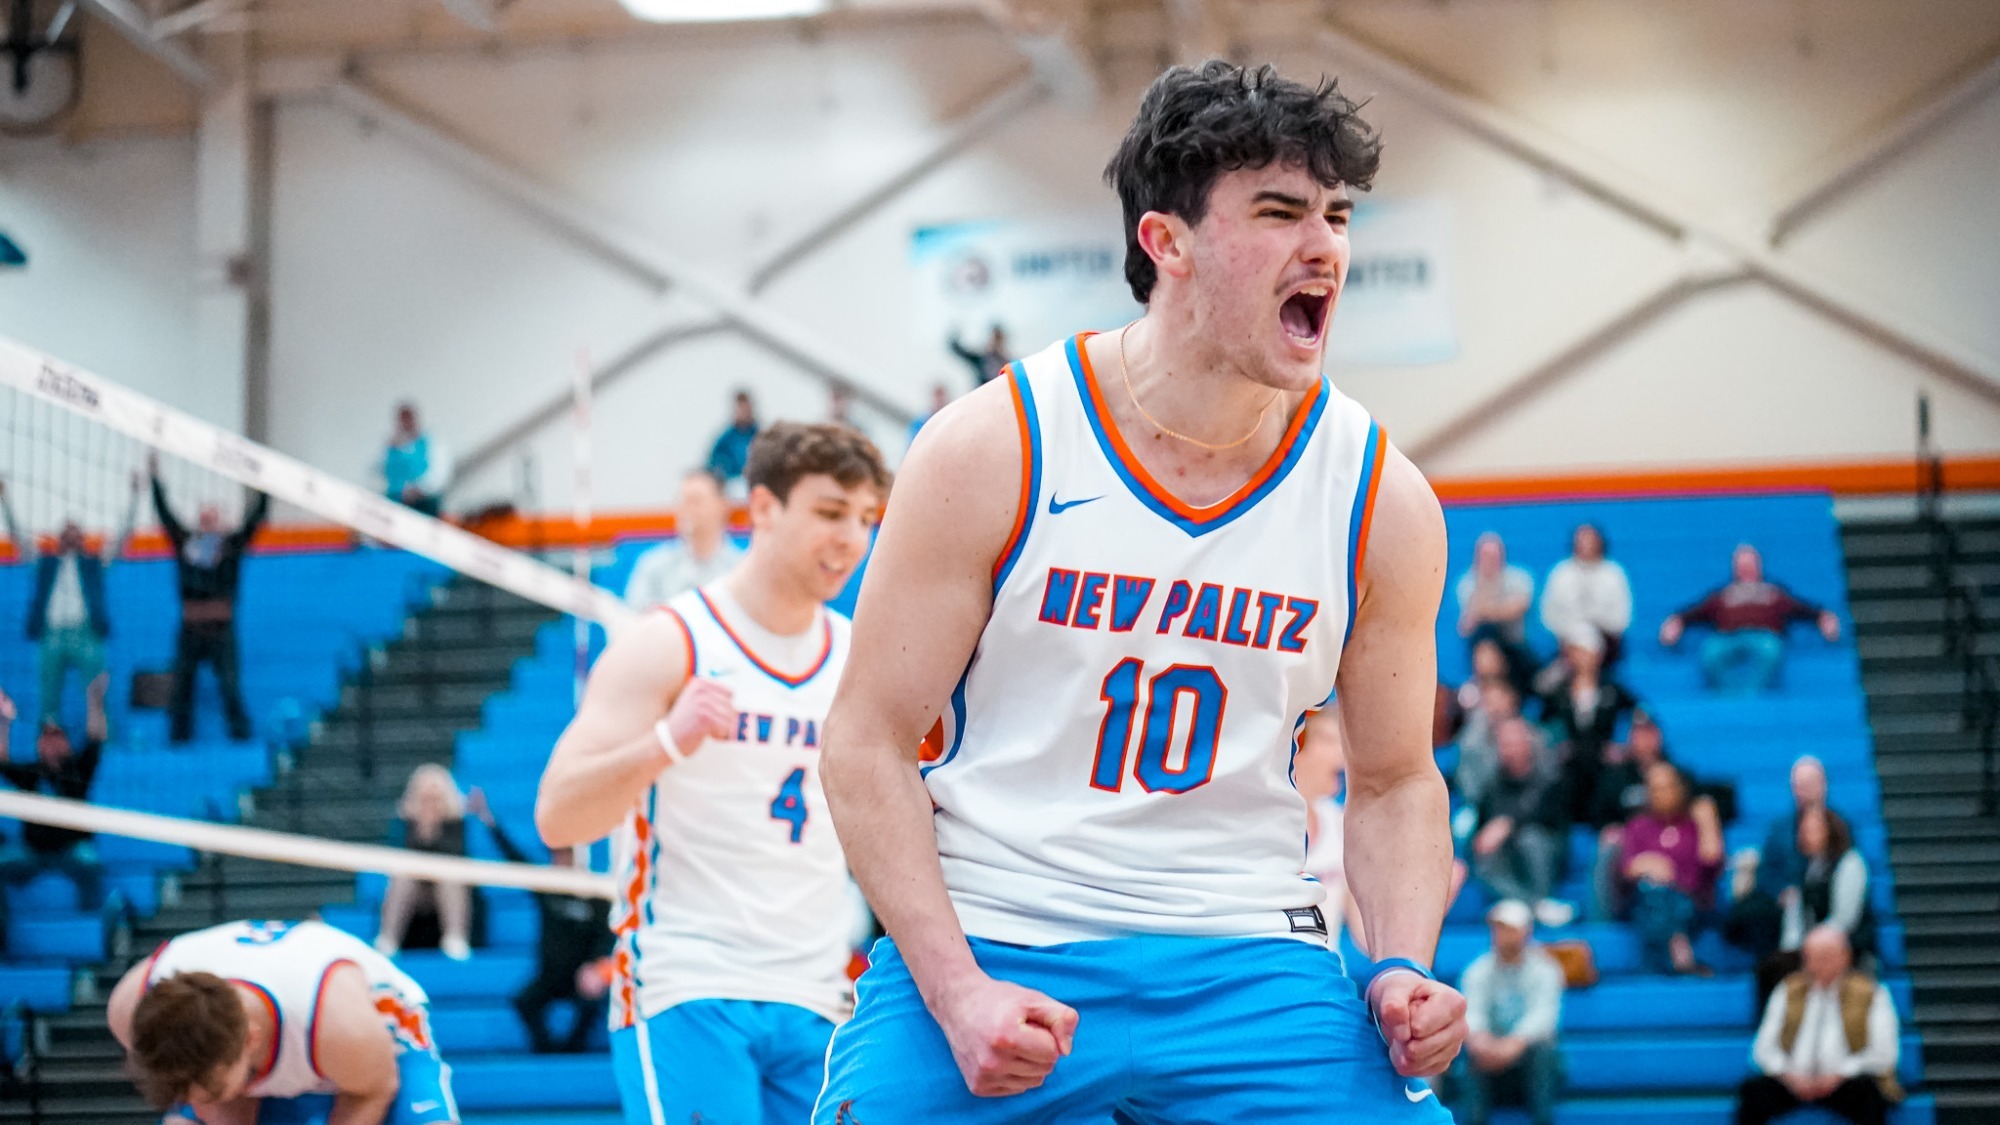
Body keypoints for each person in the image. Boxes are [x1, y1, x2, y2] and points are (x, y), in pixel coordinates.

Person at [815, 61, 1465, 1122]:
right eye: (1278, 212)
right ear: (1164, 244)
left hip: (1250, 957)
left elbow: (1394, 783)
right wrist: (956, 989)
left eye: (1337, 217)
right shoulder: (994, 446)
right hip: (997, 931)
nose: (1325, 249)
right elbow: (864, 742)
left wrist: (1397, 961)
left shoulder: (1377, 498)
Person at [535, 422, 889, 1125]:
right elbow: (558, 814)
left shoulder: (860, 659)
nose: (851, 536)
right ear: (762, 508)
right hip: (687, 981)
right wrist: (667, 740)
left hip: (816, 989)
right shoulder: (670, 641)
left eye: (865, 518)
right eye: (829, 512)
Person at [105, 918, 460, 1125]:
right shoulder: (129, 1008)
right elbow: (209, 1097)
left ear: (251, 1040)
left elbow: (373, 1089)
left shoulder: (342, 1027)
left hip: (379, 1048)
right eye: (186, 1091)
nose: (197, 1101)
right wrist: (214, 1099)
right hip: (276, 1043)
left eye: (208, 1091)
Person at [467, 789, 612, 1054]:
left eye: (567, 853)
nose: (562, 859)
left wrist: (597, 968)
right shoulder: (547, 887)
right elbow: (516, 860)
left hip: (583, 976)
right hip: (551, 976)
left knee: (593, 999)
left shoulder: (600, 894)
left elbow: (609, 936)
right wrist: (489, 820)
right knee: (524, 1001)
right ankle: (546, 1048)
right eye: (557, 853)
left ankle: (574, 1047)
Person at [0, 474, 141, 725]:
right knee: (48, 700)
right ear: (59, 538)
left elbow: (122, 538)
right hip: (51, 636)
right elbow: (19, 538)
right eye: (66, 531)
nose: (70, 535)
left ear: (83, 538)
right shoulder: (45, 564)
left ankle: (102, 748)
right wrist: (5, 500)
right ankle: (45, 751)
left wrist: (135, 497)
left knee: (97, 697)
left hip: (86, 636)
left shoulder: (94, 564)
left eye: (75, 531)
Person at [150, 456, 269, 744]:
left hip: (221, 631)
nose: (208, 521)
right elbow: (165, 514)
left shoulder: (230, 547)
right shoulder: (186, 544)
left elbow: (255, 520)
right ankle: (178, 744)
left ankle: (241, 739)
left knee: (230, 685)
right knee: (182, 688)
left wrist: (265, 482)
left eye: (212, 517)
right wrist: (155, 478)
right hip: (190, 631)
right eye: (204, 517)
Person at [1736, 925, 1901, 1125]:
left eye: (1826, 957)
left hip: (1846, 1082)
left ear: (1845, 957)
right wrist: (1789, 1075)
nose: (1818, 965)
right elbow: (1763, 1049)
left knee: (1869, 1094)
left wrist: (1839, 1075)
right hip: (1794, 1080)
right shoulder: (1788, 990)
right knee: (1753, 1092)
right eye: (1812, 957)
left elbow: (1884, 1054)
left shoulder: (1871, 993)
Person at [1661, 544, 1841, 694]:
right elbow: (1696, 612)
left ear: (1759, 565)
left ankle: (1750, 697)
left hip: (1763, 637)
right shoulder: (1724, 594)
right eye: (1741, 563)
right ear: (1734, 567)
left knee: (1771, 650)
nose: (1746, 567)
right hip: (1728, 638)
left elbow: (1801, 608)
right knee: (1710, 652)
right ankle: (1730, 697)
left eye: (1750, 562)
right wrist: (1677, 621)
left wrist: (1822, 617)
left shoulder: (1772, 593)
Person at [1448, 900, 1564, 1125]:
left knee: (1543, 1052)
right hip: (1489, 1060)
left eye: (1508, 928)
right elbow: (1472, 1014)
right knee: (1472, 1056)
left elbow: (1544, 1018)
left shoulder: (1545, 969)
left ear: (1526, 931)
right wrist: (1482, 1041)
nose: (1501, 934)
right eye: (1497, 927)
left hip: (1529, 1060)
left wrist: (1513, 1045)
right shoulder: (1477, 970)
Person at [0, 677, 110, 913]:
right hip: (33, 852)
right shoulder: (30, 773)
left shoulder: (78, 769)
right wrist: (4, 722)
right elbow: (2, 759)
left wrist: (95, 700)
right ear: (39, 743)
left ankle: (90, 927)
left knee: (90, 863)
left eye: (56, 736)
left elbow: (96, 736)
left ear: (66, 742)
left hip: (71, 850)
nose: (50, 742)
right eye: (45, 736)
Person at [1755, 805, 1875, 1006]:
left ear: (1830, 831)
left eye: (1812, 830)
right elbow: (1797, 918)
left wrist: (1815, 946)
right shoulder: (1806, 869)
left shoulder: (1849, 862)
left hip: (1847, 943)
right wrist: (1791, 949)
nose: (1805, 836)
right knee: (1772, 966)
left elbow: (1845, 919)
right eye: (1803, 831)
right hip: (1812, 943)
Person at [1619, 762, 1724, 974]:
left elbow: (1712, 865)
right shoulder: (1638, 826)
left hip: (1692, 902)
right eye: (1655, 789)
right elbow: (1626, 870)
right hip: (1647, 900)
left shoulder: (1695, 823)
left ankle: (1659, 964)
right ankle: (1678, 948)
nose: (1662, 794)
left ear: (1680, 788)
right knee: (1653, 890)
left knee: (1663, 899)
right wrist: (1645, 863)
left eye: (1667, 787)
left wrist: (1708, 824)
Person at [1471, 719, 1573, 928]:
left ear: (1527, 743)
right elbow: (1483, 827)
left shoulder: (1549, 776)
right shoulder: (1492, 785)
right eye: (1503, 744)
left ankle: (1529, 905)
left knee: (1531, 839)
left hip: (1547, 851)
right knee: (1482, 855)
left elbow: (1551, 819)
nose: (1508, 750)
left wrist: (1509, 824)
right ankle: (1534, 907)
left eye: (1513, 743)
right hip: (1508, 859)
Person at [1535, 628, 1638, 825]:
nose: (1582, 658)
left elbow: (1639, 714)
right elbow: (1543, 724)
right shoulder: (1558, 692)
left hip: (1602, 763)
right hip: (1570, 764)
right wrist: (1556, 744)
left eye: (1586, 652)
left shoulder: (1613, 689)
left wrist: (1623, 746)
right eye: (1576, 652)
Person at [375, 764, 473, 962]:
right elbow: (396, 857)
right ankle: (388, 939)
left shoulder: (457, 822)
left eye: (435, 794)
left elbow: (456, 857)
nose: (430, 798)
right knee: (401, 877)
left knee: (451, 876)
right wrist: (423, 829)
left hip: (445, 890)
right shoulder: (403, 822)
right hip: (415, 892)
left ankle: (455, 938)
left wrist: (433, 830)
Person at [1585, 710, 1675, 920]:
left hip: (1666, 839)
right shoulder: (1616, 775)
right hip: (1630, 842)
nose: (1643, 741)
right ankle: (1602, 922)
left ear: (1658, 736)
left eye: (1648, 734)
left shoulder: (1674, 772)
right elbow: (1598, 814)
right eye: (1637, 734)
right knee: (1607, 847)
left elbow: (1687, 807)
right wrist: (1611, 827)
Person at [623, 470, 745, 609]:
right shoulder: (653, 566)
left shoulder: (742, 569)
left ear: (723, 506)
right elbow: (635, 621)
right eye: (681, 500)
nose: (685, 509)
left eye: (695, 501)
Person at [1538, 523, 1632, 666]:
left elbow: (1622, 619)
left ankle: (1566, 671)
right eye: (1581, 541)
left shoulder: (1614, 574)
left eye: (1590, 541)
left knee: (1587, 643)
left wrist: (1592, 625)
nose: (1585, 546)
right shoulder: (1561, 573)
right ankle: (1583, 683)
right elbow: (1548, 616)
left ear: (1600, 543)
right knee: (1582, 642)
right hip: (1566, 642)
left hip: (1606, 644)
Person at [1456, 532, 1536, 675]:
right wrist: (1484, 585)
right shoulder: (1467, 584)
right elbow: (1465, 627)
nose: (1490, 561)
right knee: (1485, 653)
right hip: (1482, 644)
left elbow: (1518, 608)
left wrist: (1484, 611)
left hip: (1514, 646)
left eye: (1493, 556)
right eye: (1485, 556)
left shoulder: (1519, 578)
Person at [383, 402, 452, 517]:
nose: (405, 424)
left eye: (408, 419)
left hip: (424, 502)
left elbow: (439, 474)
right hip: (396, 501)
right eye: (402, 420)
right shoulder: (391, 445)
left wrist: (419, 489)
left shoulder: (432, 443)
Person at [706, 390, 760, 486]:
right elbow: (711, 464)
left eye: (746, 409)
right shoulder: (725, 439)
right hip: (732, 483)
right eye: (740, 409)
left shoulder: (760, 435)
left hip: (755, 482)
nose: (744, 413)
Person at [947, 324, 1010, 389]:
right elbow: (959, 351)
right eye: (995, 339)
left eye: (998, 340)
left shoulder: (1007, 363)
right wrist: (955, 336)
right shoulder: (982, 359)